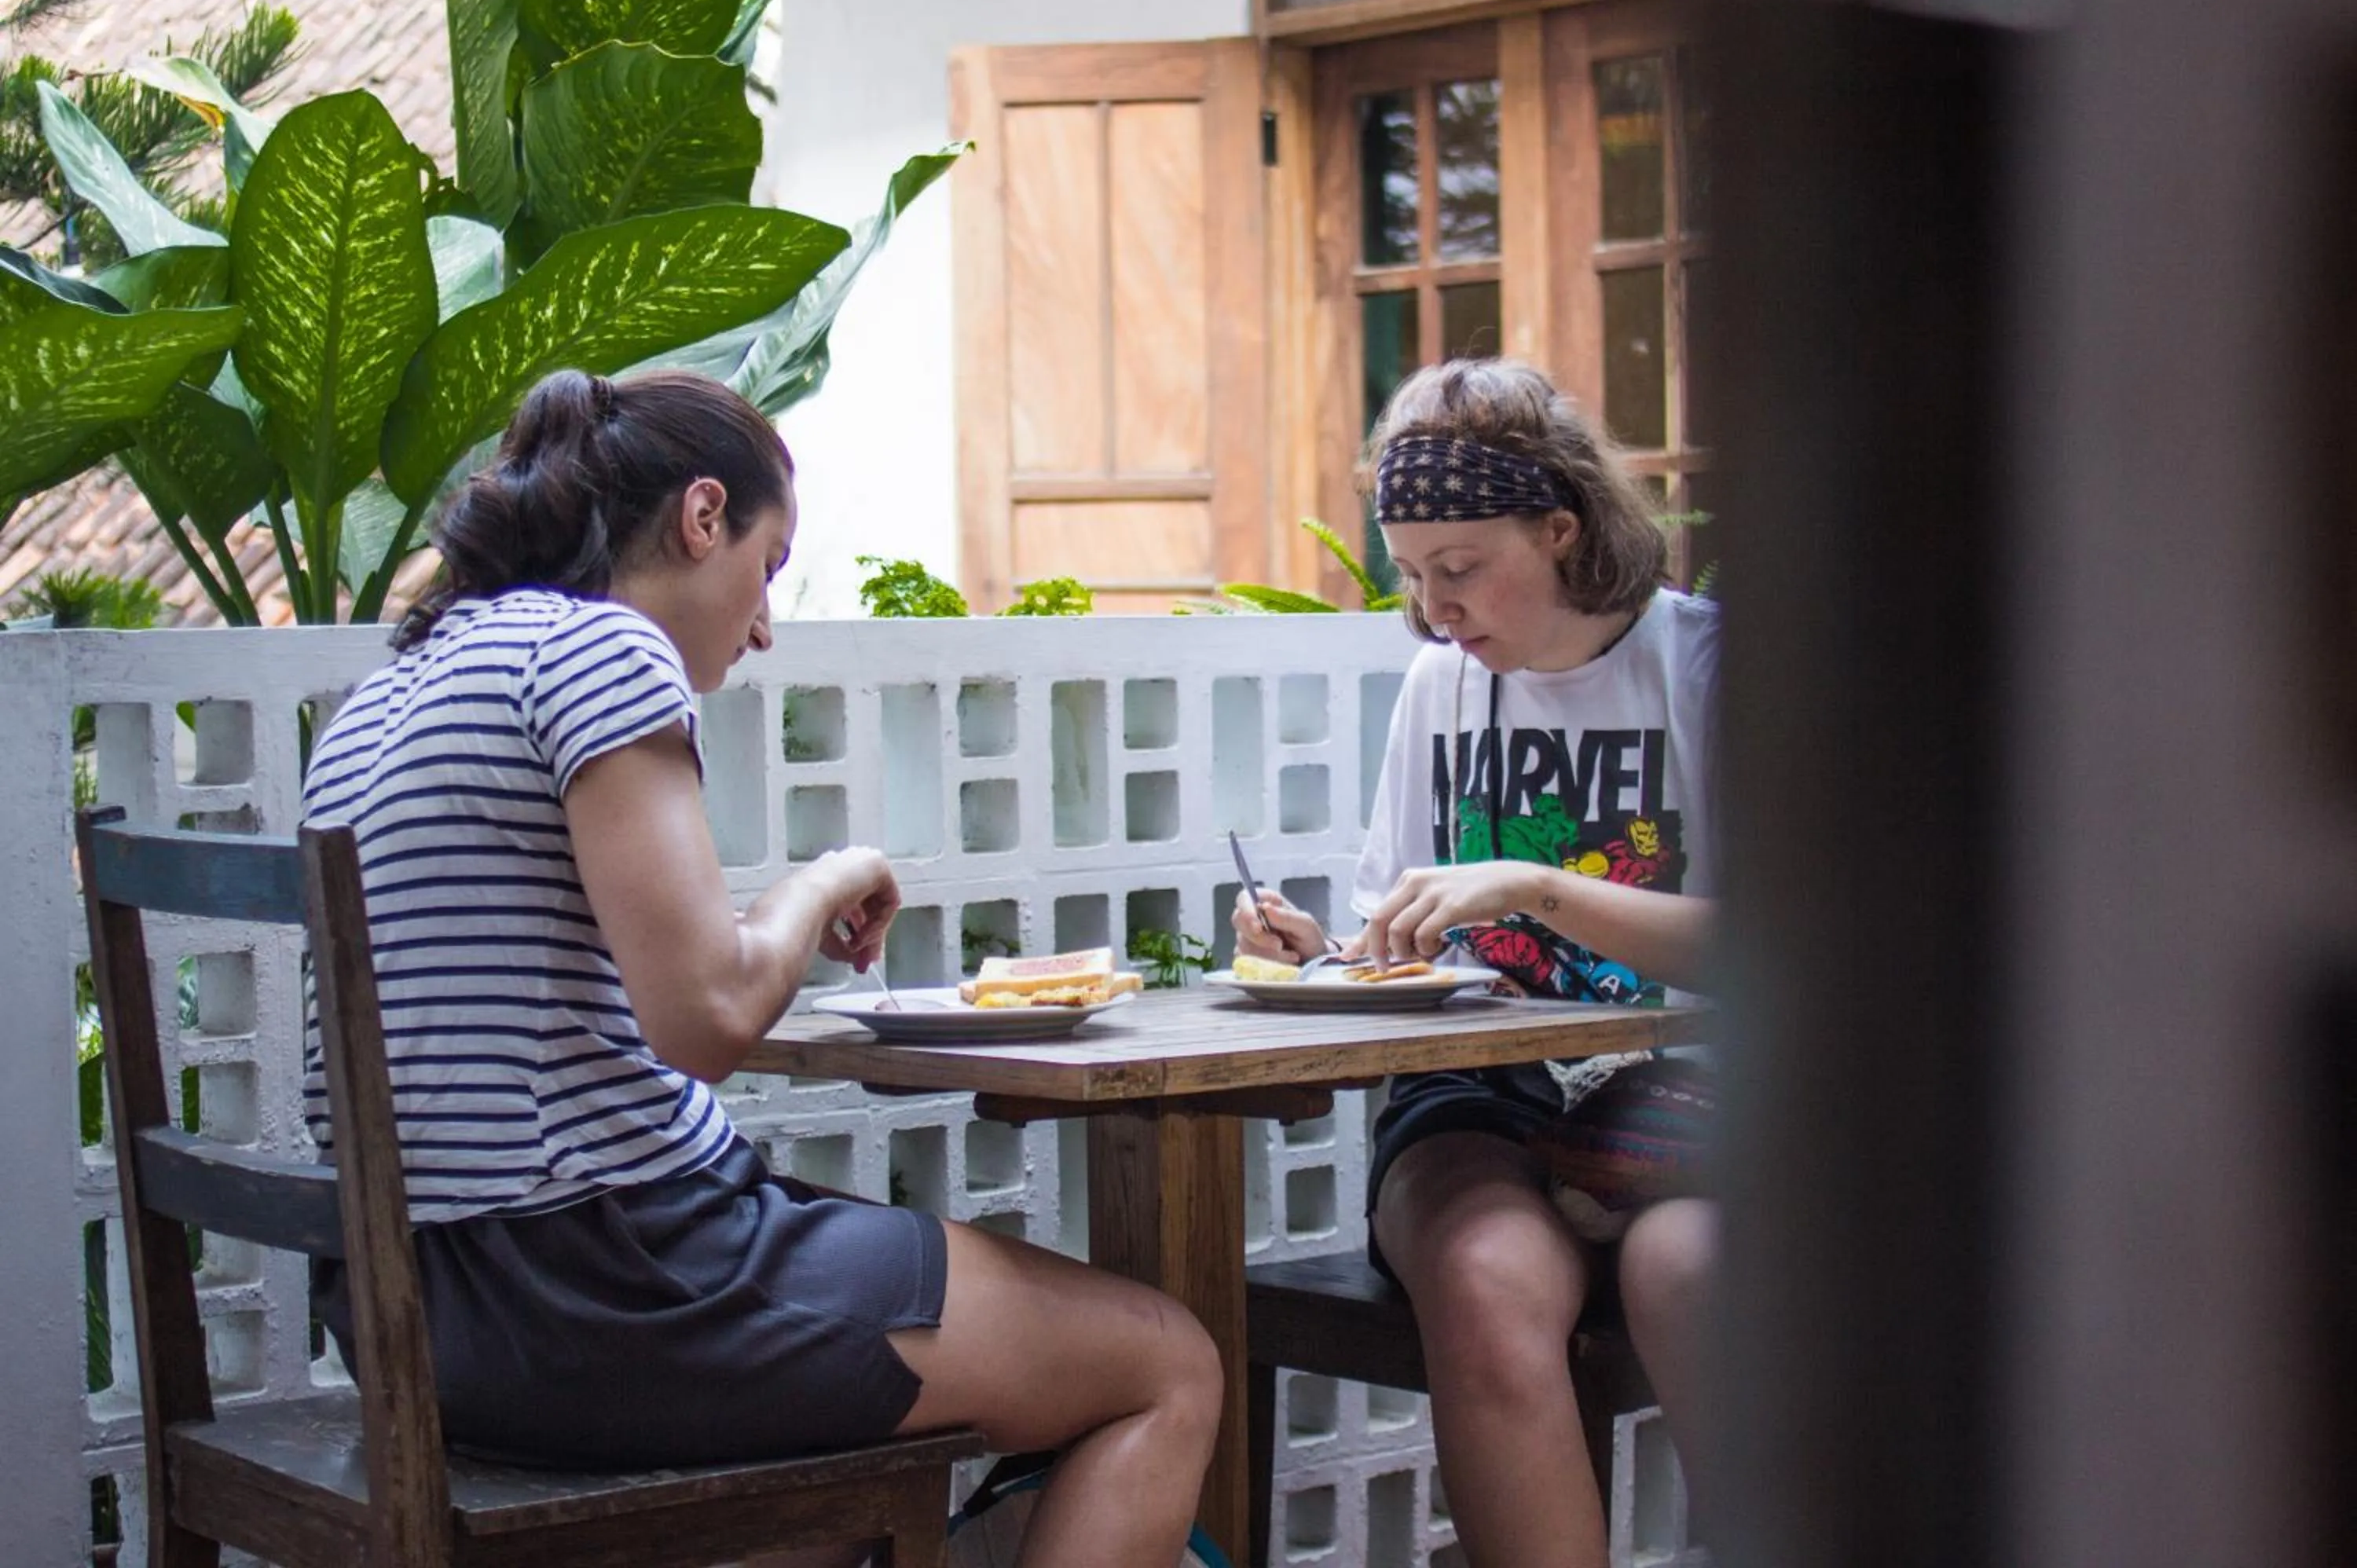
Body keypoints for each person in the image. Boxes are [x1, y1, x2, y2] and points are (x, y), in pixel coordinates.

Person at [304, 369, 1221, 1568]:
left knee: (875, 1407)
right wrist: (828, 878)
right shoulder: (597, 651)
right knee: (1164, 1360)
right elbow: (709, 1018)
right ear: (700, 518)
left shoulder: (388, 693)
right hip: (601, 1290)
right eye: (769, 565)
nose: (764, 622)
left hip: (415, 1317)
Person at [1231, 358, 1719, 1568]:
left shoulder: (1699, 665)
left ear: (1561, 528)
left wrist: (1540, 886)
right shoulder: (1439, 686)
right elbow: (1400, 933)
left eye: (1459, 568)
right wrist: (1325, 954)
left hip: (1696, 1091)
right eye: (1410, 572)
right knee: (1485, 1276)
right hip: (1480, 1091)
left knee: (1690, 1269)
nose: (1435, 606)